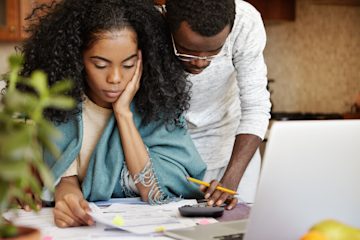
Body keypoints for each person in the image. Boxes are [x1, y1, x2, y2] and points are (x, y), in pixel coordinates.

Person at [20, 0, 206, 228]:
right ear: (76, 58)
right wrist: (66, 195)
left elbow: (156, 192)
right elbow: (62, 173)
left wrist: (123, 114)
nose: (115, 78)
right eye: (100, 64)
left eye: (128, 65)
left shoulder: (158, 108)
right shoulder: (58, 105)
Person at [164, 0, 271, 209]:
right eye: (188, 50)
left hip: (233, 154)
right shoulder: (152, 22)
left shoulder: (244, 23)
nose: (200, 62)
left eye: (214, 51)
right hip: (169, 157)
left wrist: (230, 181)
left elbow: (256, 108)